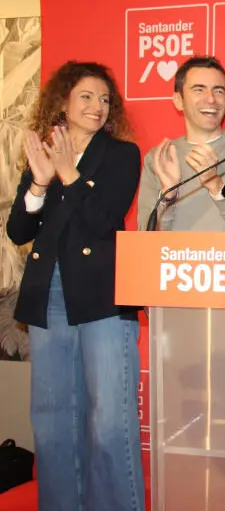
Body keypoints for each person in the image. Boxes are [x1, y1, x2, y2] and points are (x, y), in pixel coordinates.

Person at [6, 61, 145, 510]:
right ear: (62, 102)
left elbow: (104, 222)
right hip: (49, 297)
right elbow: (18, 232)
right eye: (86, 96)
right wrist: (41, 182)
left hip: (104, 298)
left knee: (109, 422)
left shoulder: (122, 154)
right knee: (51, 421)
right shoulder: (46, 151)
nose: (98, 106)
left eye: (105, 99)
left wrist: (69, 174)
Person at [137, 56, 225, 232]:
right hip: (174, 259)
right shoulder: (159, 158)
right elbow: (146, 236)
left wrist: (216, 185)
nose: (211, 99)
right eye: (199, 90)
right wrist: (168, 195)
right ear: (178, 100)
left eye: (219, 91)